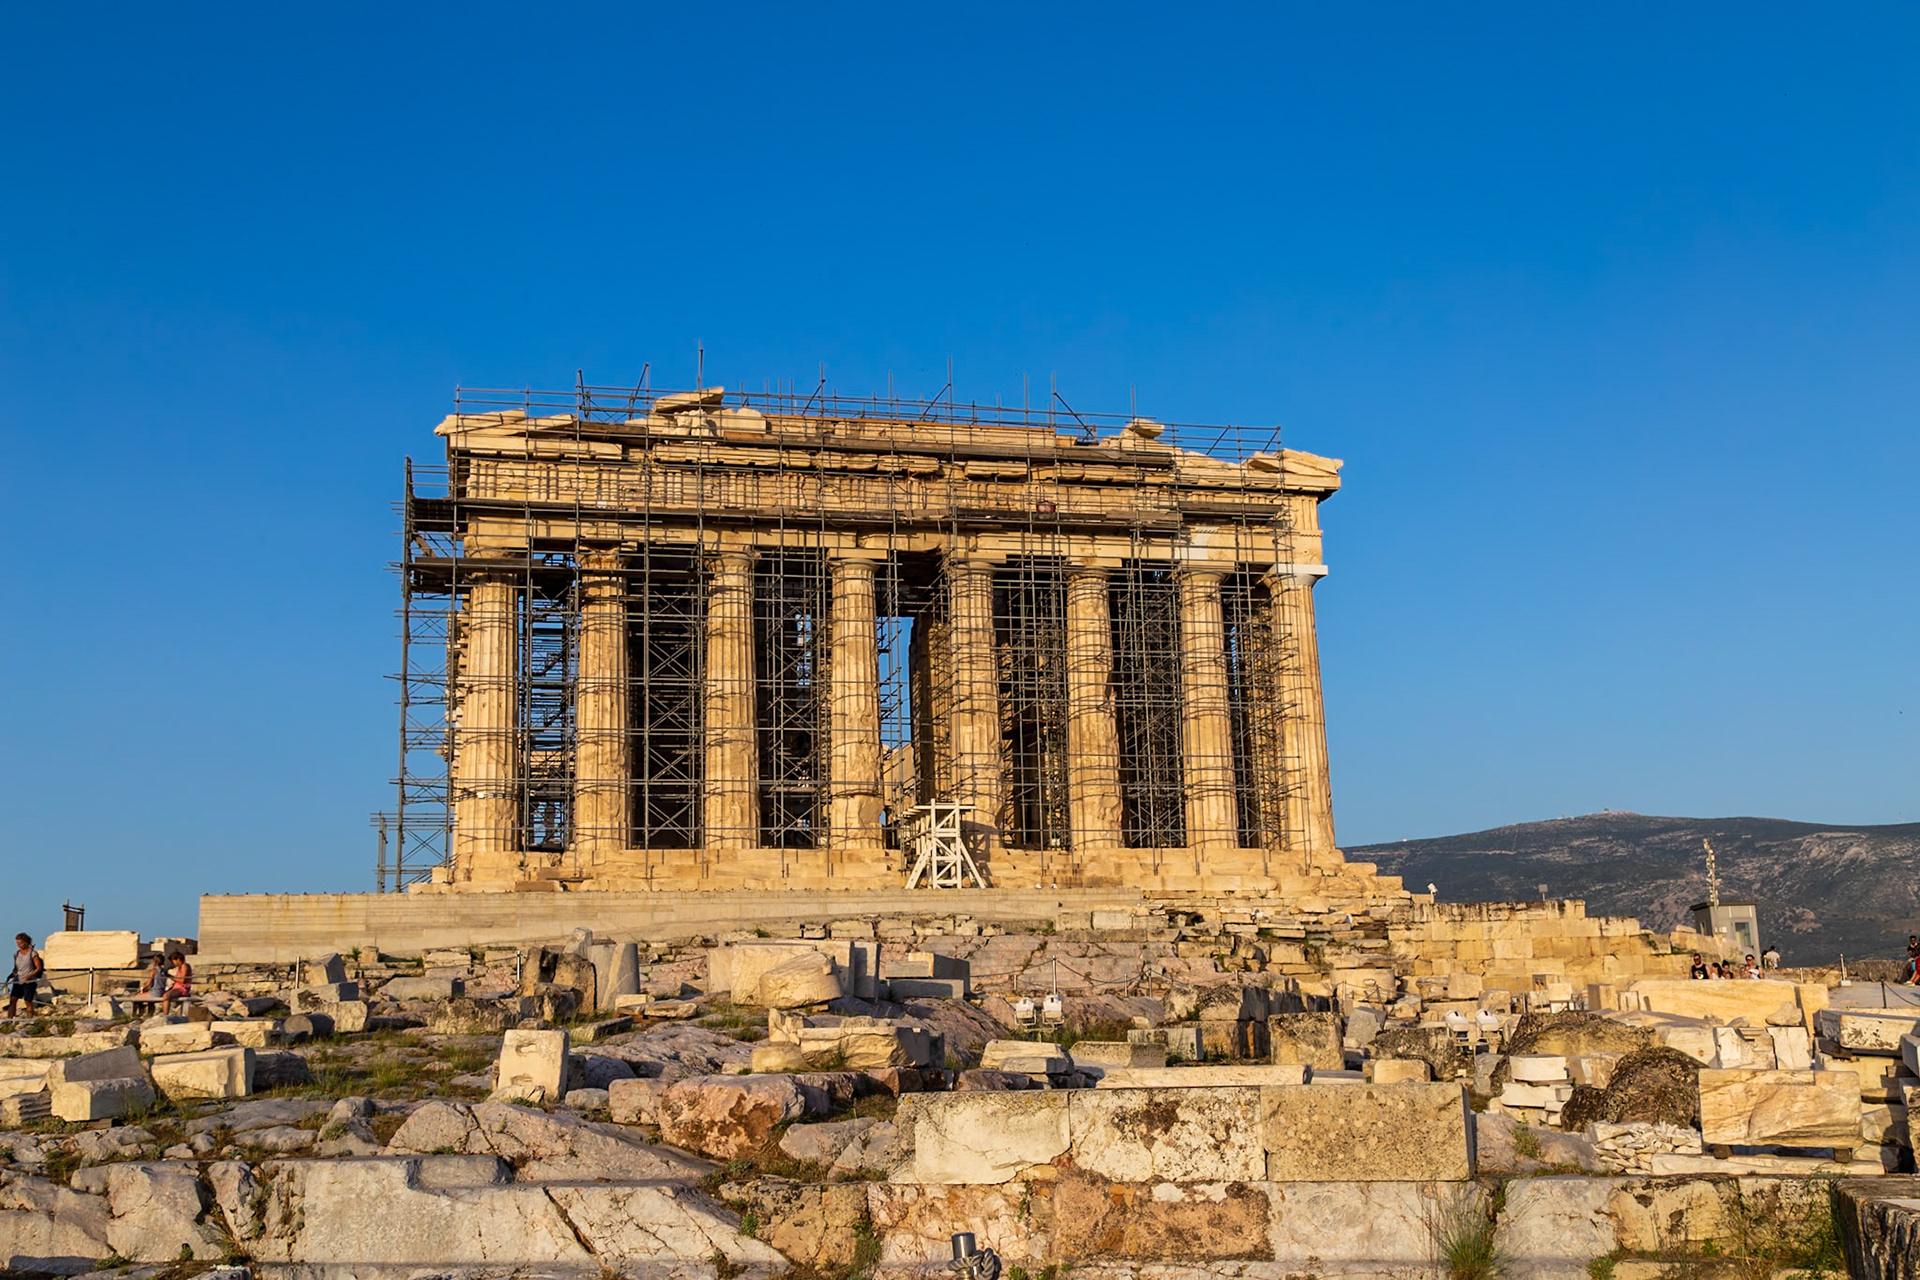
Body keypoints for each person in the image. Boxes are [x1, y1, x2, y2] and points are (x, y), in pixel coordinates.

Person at [6, 934, 45, 1018]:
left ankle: (29, 1019)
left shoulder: (32, 953)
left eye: (21, 943)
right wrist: (12, 975)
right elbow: (16, 968)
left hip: (29, 981)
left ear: (26, 942)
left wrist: (29, 976)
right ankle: (9, 1019)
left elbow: (38, 968)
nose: (19, 945)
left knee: (28, 1001)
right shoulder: (16, 954)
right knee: (13, 999)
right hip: (18, 980)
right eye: (17, 943)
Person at [161, 951, 192, 1015]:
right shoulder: (180, 967)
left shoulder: (184, 966)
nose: (173, 963)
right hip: (177, 987)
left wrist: (171, 977)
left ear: (178, 959)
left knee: (166, 996)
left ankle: (165, 1014)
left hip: (182, 988)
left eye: (173, 961)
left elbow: (182, 980)